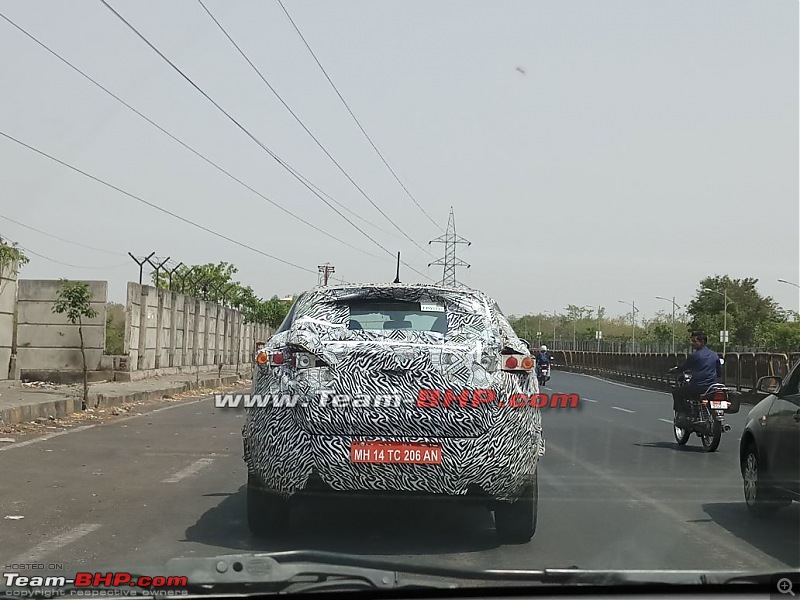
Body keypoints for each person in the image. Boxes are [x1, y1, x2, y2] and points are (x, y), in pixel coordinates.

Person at [670, 331, 723, 422]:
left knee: (676, 392)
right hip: (711, 387)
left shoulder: (695, 355)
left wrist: (674, 370)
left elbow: (683, 367)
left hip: (698, 387)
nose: (692, 343)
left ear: (702, 342)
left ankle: (683, 415)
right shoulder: (715, 355)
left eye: (694, 341)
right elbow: (719, 372)